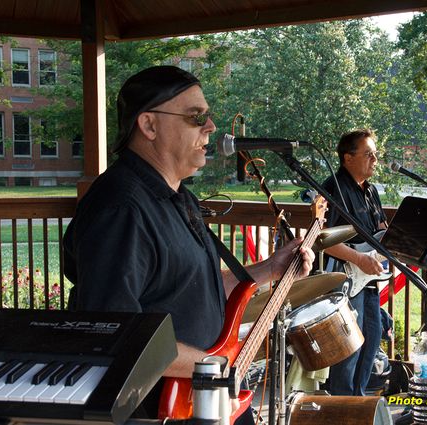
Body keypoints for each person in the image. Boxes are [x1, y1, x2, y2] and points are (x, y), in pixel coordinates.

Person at [62, 66, 314, 417]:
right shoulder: (121, 208)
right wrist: (212, 365)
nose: (211, 127)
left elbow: (194, 290)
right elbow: (115, 332)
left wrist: (271, 268)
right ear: (149, 125)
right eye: (196, 118)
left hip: (200, 394)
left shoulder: (178, 198)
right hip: (154, 408)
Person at [321, 129, 388, 395]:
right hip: (345, 278)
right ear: (348, 157)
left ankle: (357, 402)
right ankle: (341, 405)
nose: (375, 160)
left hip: (368, 279)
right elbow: (324, 239)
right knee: (350, 347)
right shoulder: (333, 188)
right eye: (368, 154)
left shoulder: (370, 191)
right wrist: (359, 258)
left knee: (372, 339)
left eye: (375, 154)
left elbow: (382, 231)